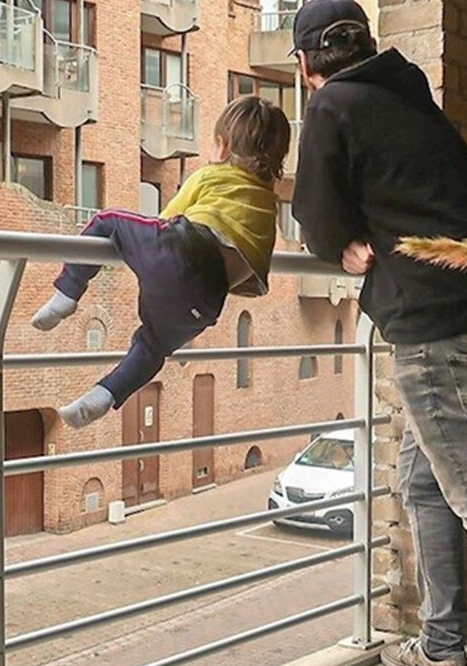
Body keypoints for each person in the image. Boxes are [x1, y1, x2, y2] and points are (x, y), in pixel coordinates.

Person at [289, 0, 467, 666]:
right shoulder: (408, 96)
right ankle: (440, 646)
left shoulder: (332, 105)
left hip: (443, 325)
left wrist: (340, 244)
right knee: (424, 483)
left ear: (306, 64)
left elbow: (316, 217)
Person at [32, 96, 290, 429]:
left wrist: (145, 251)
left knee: (107, 221)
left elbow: (166, 220)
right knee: (153, 346)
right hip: (207, 302)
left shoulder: (209, 176)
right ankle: (105, 394)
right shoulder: (268, 207)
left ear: (222, 147)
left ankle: (67, 294)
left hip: (180, 254)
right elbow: (253, 275)